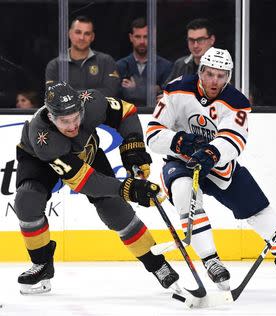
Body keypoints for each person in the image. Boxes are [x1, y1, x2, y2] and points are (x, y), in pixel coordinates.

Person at [146, 47, 276, 291]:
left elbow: (234, 139)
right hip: (182, 162)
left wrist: (211, 153)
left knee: (264, 215)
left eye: (221, 76)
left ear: (229, 77)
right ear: (200, 71)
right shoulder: (176, 89)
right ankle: (211, 261)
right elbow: (153, 134)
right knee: (183, 190)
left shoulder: (236, 102)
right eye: (209, 74)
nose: (214, 81)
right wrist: (180, 141)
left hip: (221, 167)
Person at [14, 81, 179, 295]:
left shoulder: (91, 102)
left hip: (85, 152)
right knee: (27, 201)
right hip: (39, 160)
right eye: (65, 121)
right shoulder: (43, 138)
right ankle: (42, 263)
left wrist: (133, 145)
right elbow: (84, 181)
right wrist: (129, 189)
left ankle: (157, 264)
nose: (73, 126)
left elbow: (126, 112)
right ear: (51, 117)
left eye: (76, 118)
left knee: (115, 210)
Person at [45, 16, 120, 97]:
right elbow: (54, 95)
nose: (82, 38)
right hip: (68, 110)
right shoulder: (55, 65)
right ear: (70, 33)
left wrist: (73, 96)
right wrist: (87, 96)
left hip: (98, 110)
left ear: (92, 37)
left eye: (87, 34)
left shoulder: (106, 61)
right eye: (78, 32)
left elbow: (110, 91)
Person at [116, 17, 173, 107]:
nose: (142, 41)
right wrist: (152, 90)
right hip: (127, 117)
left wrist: (134, 89)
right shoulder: (120, 66)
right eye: (138, 37)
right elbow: (116, 97)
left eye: (146, 37)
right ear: (131, 38)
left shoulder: (166, 66)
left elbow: (168, 99)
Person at [163, 18, 216, 86]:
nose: (195, 45)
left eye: (200, 40)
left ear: (212, 40)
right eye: (191, 40)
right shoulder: (180, 64)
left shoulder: (223, 66)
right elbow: (166, 90)